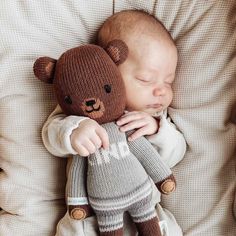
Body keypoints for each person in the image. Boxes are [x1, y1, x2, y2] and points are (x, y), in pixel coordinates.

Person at [42, 9, 186, 236]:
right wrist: (74, 131)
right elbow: (50, 136)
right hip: (91, 219)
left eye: (169, 81)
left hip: (147, 213)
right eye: (145, 79)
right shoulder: (81, 111)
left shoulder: (154, 119)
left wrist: (158, 130)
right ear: (110, 71)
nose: (161, 91)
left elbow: (175, 154)